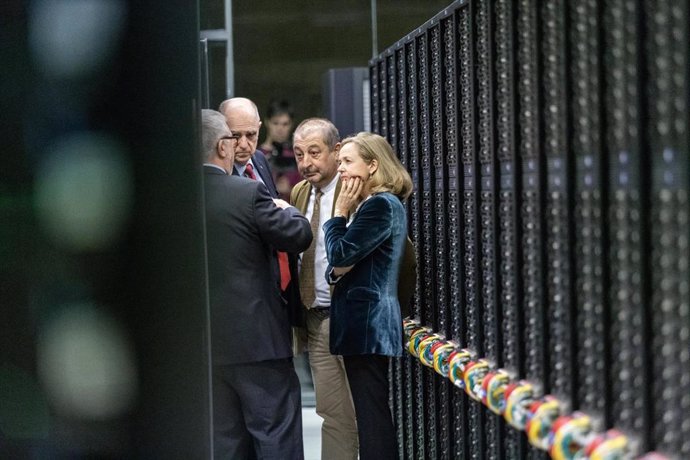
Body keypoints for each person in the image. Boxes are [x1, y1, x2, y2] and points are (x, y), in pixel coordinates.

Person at [201, 108, 312, 459]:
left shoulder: (173, 199)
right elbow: (298, 235)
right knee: (276, 435)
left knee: (226, 443)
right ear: (223, 146)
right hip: (258, 344)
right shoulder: (248, 194)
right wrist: (286, 207)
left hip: (205, 346)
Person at [323, 132, 413, 460]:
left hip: (367, 325)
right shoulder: (379, 205)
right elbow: (338, 269)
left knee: (372, 416)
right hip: (366, 325)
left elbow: (340, 255)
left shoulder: (379, 205)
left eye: (348, 162)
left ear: (373, 165)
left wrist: (338, 215)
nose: (341, 170)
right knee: (370, 412)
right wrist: (337, 269)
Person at [290, 118, 359, 460]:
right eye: (299, 154)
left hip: (352, 315)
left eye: (314, 153)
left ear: (336, 150)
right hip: (316, 317)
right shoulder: (301, 192)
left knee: (366, 410)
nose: (306, 163)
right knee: (332, 412)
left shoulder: (356, 190)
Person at [220, 97, 302, 326]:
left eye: (251, 135)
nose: (244, 144)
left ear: (259, 128)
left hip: (278, 288)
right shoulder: (216, 172)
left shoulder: (259, 160)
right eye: (236, 136)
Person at [258, 99, 301, 201]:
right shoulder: (257, 156)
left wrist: (290, 191)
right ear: (267, 122)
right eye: (275, 123)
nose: (280, 129)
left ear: (291, 125)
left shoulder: (298, 156)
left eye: (285, 124)